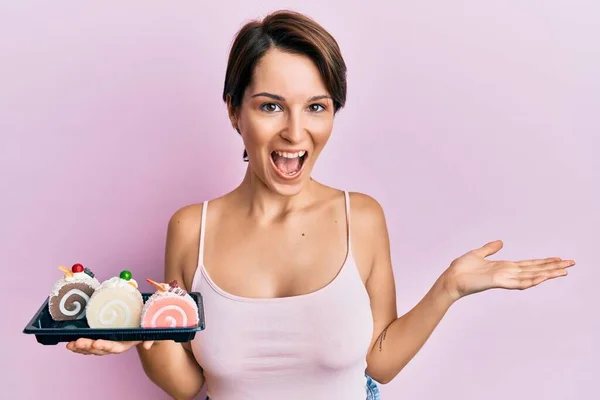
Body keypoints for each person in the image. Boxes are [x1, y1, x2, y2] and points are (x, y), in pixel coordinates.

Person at [66, 10, 575, 400]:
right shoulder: (191, 228)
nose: (295, 131)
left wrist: (449, 288)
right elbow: (185, 385)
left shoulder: (363, 218)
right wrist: (141, 335)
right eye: (270, 106)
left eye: (316, 107)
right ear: (233, 111)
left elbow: (379, 364)